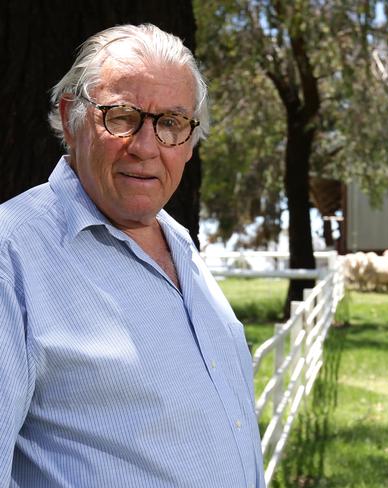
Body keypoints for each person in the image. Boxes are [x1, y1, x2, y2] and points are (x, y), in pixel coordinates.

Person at [0, 24, 265, 487]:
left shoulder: (180, 243)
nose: (145, 147)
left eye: (171, 123)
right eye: (121, 116)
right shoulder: (13, 255)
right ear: (70, 117)